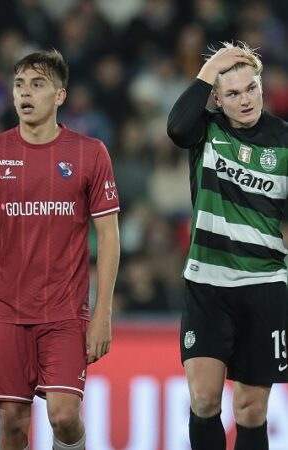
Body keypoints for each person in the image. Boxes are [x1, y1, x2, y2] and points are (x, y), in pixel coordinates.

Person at [0, 49, 120, 450]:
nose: (25, 93)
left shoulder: (89, 153)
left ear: (60, 96)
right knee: (12, 423)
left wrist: (102, 313)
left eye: (37, 84)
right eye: (19, 85)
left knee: (64, 416)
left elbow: (109, 237)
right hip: (6, 311)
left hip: (65, 313)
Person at [167, 41, 288, 450]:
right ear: (216, 99)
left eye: (250, 88)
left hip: (266, 284)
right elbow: (176, 128)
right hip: (208, 283)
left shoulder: (284, 141)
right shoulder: (205, 131)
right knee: (203, 400)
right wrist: (211, 68)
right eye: (232, 93)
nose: (245, 100)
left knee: (251, 410)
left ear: (261, 86)